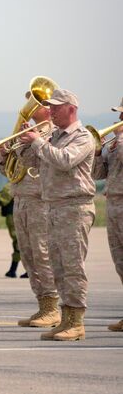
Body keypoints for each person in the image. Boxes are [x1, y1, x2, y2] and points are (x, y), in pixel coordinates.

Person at [20, 89, 95, 341]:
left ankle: (77, 322)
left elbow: (65, 160)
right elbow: (33, 164)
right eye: (49, 107)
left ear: (71, 109)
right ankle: (65, 318)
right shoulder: (53, 136)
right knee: (59, 267)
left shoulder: (82, 137)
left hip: (74, 207)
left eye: (56, 107)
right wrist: (25, 145)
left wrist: (39, 142)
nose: (50, 111)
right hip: (53, 206)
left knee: (72, 266)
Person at [0, 97, 60, 328]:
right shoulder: (26, 133)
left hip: (41, 201)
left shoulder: (54, 134)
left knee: (43, 254)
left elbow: (52, 162)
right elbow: (11, 172)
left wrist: (35, 141)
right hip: (21, 199)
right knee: (28, 256)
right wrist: (3, 154)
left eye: (40, 103)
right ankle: (43, 305)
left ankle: (53, 307)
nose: (32, 107)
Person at [91, 97, 123, 332]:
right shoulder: (116, 142)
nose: (119, 117)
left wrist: (118, 142)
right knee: (120, 261)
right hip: (113, 202)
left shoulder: (120, 141)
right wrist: (98, 151)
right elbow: (98, 174)